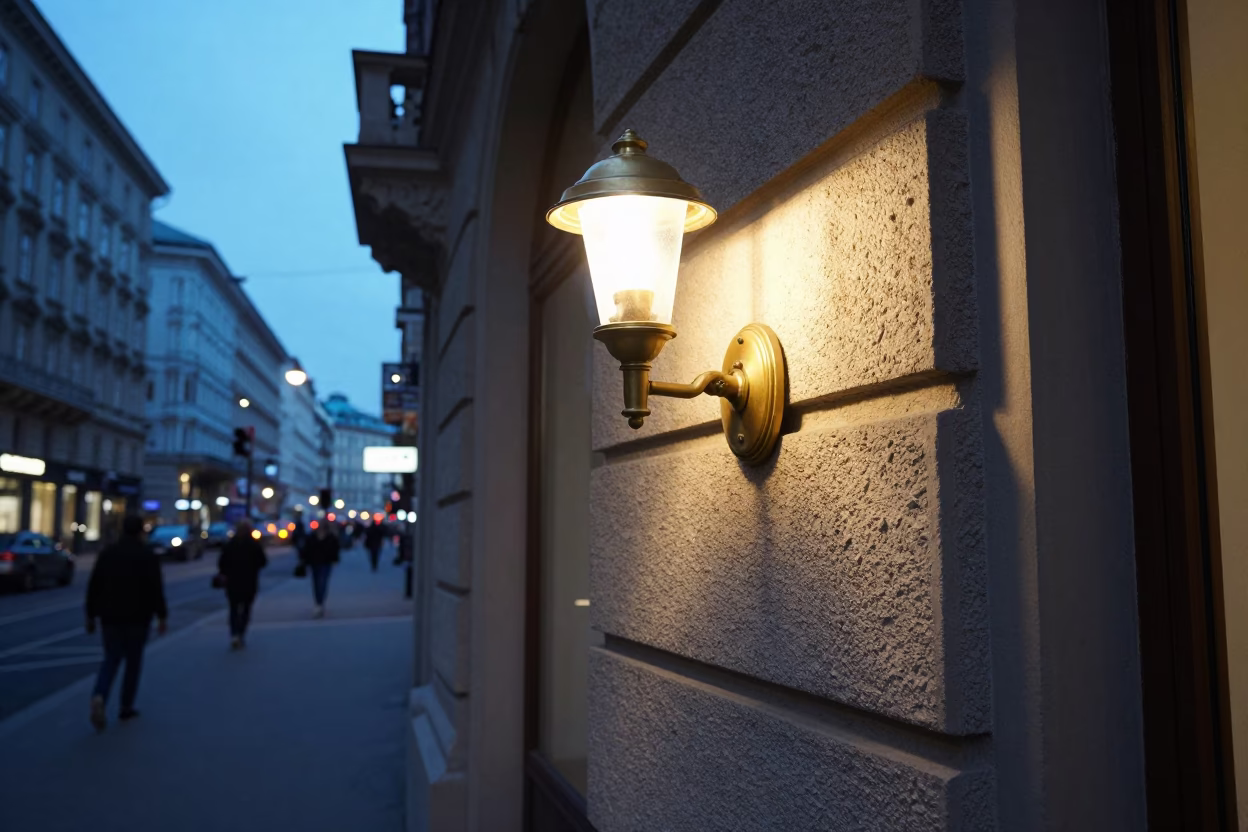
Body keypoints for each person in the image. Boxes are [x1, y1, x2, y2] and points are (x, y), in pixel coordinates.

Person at [85, 515, 168, 732]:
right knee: (133, 662)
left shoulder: (108, 554)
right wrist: (162, 616)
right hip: (138, 617)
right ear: (141, 531)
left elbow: (94, 585)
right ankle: (126, 707)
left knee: (111, 658)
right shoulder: (147, 555)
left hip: (110, 616)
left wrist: (90, 614)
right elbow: (156, 588)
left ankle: (99, 695)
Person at [216, 520, 268, 649]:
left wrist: (226, 573)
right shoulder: (254, 545)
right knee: (245, 609)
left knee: (233, 609)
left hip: (232, 583)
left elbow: (222, 563)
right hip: (249, 582)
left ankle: (234, 634)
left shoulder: (230, 545)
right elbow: (263, 562)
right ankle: (241, 634)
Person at [300, 520, 339, 618]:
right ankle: (318, 602)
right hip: (315, 563)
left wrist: (334, 559)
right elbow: (306, 549)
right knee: (316, 582)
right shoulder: (312, 537)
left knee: (323, 582)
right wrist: (305, 560)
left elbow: (335, 549)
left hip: (326, 563)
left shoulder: (330, 537)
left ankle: (320, 602)